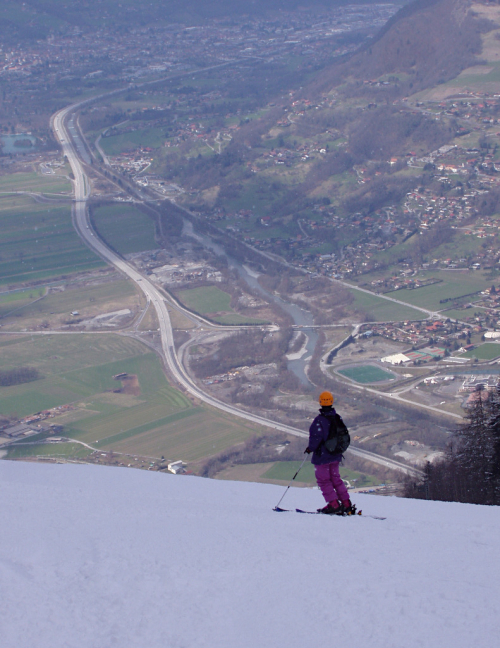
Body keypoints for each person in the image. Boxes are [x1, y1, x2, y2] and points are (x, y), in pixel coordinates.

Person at [305, 391, 356, 515]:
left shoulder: (319, 421)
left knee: (324, 481)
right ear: (332, 401)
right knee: (336, 479)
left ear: (320, 402)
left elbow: (315, 439)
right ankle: (346, 504)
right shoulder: (337, 417)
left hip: (323, 457)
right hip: (335, 455)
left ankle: (333, 505)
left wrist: (310, 449)